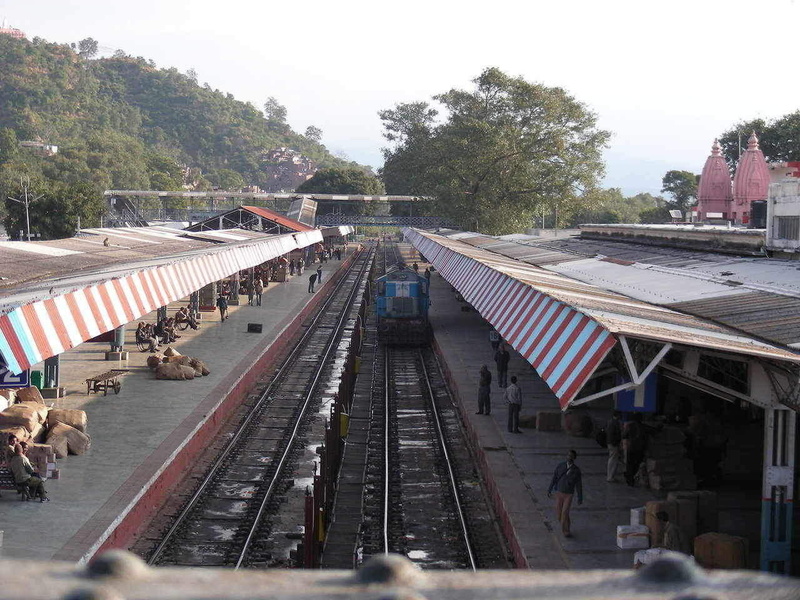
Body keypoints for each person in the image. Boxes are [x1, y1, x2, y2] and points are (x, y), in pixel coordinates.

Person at [547, 449, 582, 537]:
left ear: (574, 458)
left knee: (565, 512)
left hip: (569, 494)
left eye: (571, 456)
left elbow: (578, 484)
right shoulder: (560, 466)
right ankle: (567, 525)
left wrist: (580, 497)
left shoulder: (576, 470)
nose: (569, 457)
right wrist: (549, 489)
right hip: (559, 492)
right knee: (559, 513)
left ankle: (566, 531)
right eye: (568, 455)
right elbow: (554, 478)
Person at [623, 413, 647, 487]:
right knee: (636, 464)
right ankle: (630, 476)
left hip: (631, 448)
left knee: (629, 464)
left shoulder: (630, 426)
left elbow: (624, 435)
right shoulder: (643, 427)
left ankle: (629, 478)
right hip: (639, 448)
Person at [606, 410, 624, 483]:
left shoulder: (610, 422)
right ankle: (610, 476)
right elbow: (614, 434)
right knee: (613, 459)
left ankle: (610, 476)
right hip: (613, 443)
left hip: (611, 442)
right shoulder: (614, 423)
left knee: (613, 459)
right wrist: (616, 442)